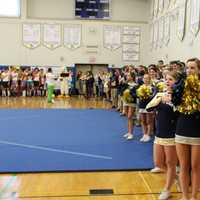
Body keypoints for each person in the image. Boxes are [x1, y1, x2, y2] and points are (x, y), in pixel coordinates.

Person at [146, 71, 181, 200]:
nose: (167, 81)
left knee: (170, 163)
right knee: (159, 163)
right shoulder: (160, 94)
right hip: (159, 133)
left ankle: (167, 190)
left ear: (176, 82)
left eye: (170, 79)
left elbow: (179, 114)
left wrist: (171, 102)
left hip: (171, 134)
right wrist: (160, 99)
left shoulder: (179, 96)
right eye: (166, 79)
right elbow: (149, 108)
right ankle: (176, 177)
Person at [173, 58, 200, 200]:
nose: (189, 70)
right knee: (183, 166)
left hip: (197, 129)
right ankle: (184, 196)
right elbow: (175, 102)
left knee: (195, 167)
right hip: (182, 126)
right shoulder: (181, 85)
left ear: (199, 70)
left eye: (193, 68)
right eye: (187, 68)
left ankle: (194, 197)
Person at [122, 72, 138, 140]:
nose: (127, 76)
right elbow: (121, 91)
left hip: (132, 101)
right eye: (127, 75)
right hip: (125, 101)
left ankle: (131, 133)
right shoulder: (125, 83)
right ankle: (128, 132)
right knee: (127, 116)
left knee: (130, 116)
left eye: (129, 75)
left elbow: (136, 94)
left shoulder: (136, 85)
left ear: (132, 77)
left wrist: (131, 93)